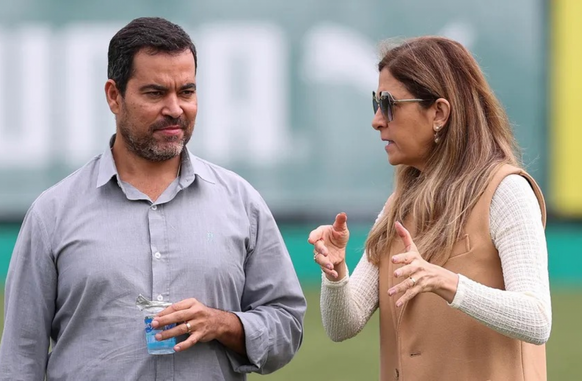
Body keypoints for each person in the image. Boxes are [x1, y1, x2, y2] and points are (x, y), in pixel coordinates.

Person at [0, 17, 306, 380]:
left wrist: (223, 324)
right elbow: (20, 358)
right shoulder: (52, 213)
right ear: (114, 96)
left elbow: (287, 326)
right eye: (155, 93)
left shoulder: (241, 202)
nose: (175, 108)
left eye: (187, 92)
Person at [309, 36, 551, 381]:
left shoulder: (507, 191)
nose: (377, 120)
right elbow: (342, 325)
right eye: (375, 103)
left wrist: (449, 283)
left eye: (389, 104)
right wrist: (335, 273)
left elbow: (537, 318)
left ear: (439, 112)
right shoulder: (398, 205)